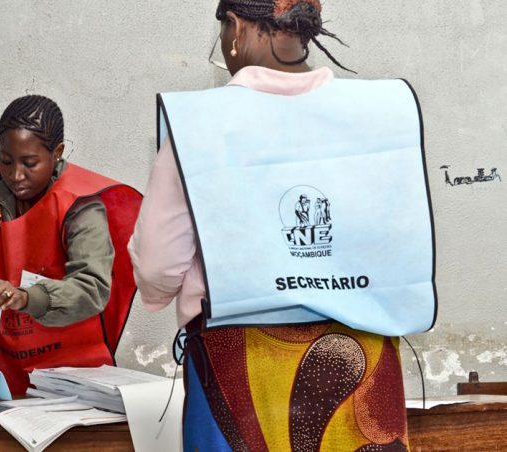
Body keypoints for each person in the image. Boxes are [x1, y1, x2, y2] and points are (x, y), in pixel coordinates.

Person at [129, 1, 435, 450]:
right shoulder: (382, 113)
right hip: (365, 353)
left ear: (234, 28)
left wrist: (159, 296)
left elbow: (158, 267)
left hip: (241, 361)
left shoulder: (200, 126)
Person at [0, 95, 142, 394]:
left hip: (71, 374)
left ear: (58, 152)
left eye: (30, 163)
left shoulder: (80, 205)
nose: (15, 175)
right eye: (5, 160)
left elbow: (92, 289)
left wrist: (26, 298)